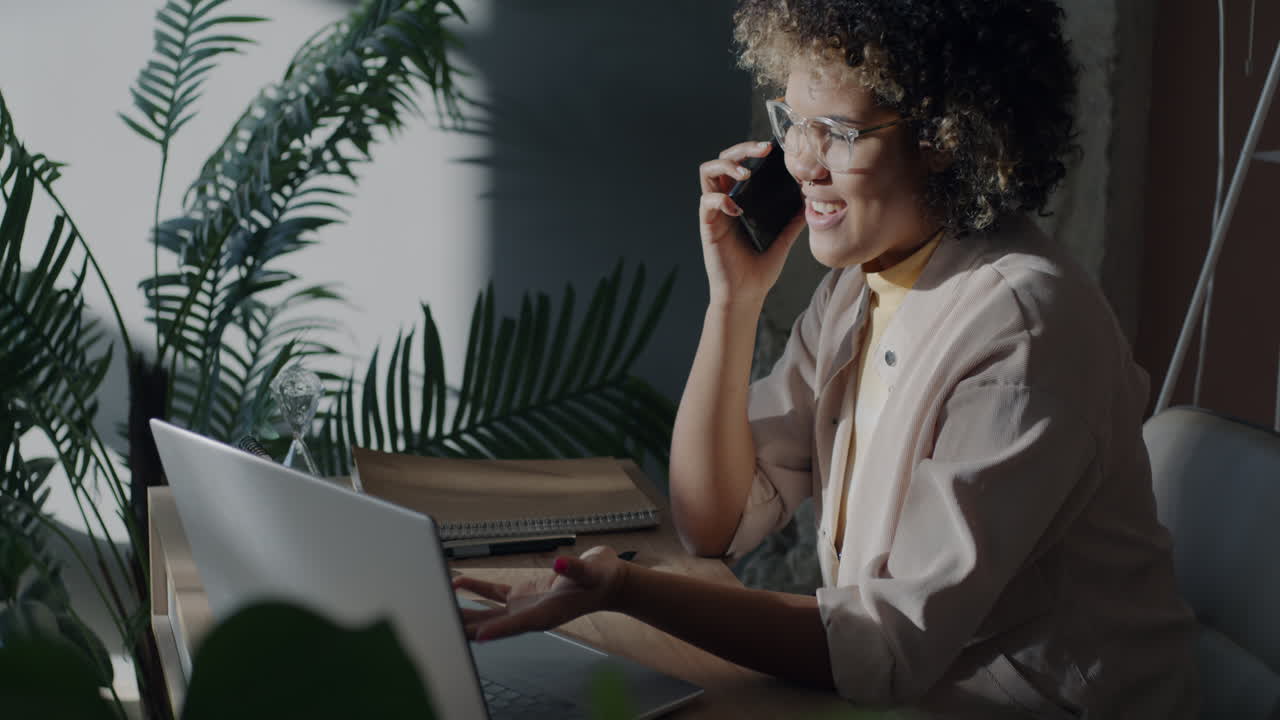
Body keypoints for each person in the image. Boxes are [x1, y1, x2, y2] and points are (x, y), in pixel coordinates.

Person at [454, 0, 1199, 716]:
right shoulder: (860, 289)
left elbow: (883, 647)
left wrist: (625, 589)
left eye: (837, 132)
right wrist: (734, 302)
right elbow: (713, 521)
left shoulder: (1023, 331)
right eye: (792, 123)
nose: (802, 163)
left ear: (945, 134)